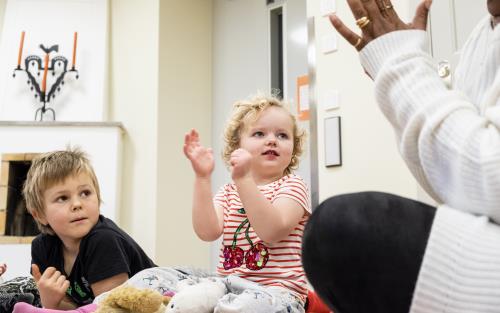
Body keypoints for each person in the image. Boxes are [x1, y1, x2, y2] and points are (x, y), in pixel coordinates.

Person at [301, 0, 500, 312]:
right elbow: (453, 189)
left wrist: (400, 65)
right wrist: (394, 80)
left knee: (340, 229)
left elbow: (493, 177)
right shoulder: (482, 36)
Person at [22, 148, 156, 310]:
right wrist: (50, 301)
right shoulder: (42, 247)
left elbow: (113, 308)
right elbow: (75, 308)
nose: (77, 204)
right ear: (39, 215)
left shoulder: (103, 240)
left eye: (85, 193)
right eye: (62, 198)